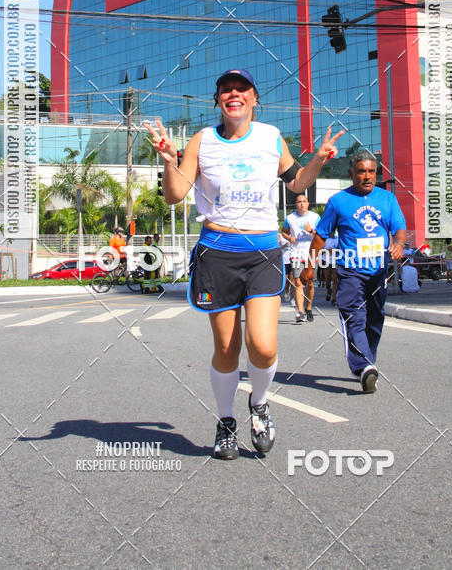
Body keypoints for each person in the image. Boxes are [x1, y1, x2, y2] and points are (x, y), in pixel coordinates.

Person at [144, 69, 343, 460]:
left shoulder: (270, 137)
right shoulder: (202, 140)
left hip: (263, 252)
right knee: (226, 347)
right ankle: (225, 422)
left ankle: (260, 403)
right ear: (218, 100)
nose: (233, 94)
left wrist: (318, 160)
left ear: (253, 98)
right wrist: (170, 159)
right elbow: (175, 194)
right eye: (225, 90)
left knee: (264, 347)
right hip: (217, 252)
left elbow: (297, 183)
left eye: (241, 89)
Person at [308, 149, 406, 394]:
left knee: (375, 319)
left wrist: (399, 244)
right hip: (350, 270)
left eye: (371, 171)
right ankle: (364, 365)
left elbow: (400, 228)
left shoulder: (387, 199)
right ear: (351, 173)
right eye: (361, 171)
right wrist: (309, 265)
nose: (367, 176)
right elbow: (321, 236)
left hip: (378, 271)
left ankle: (365, 362)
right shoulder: (338, 201)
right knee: (354, 316)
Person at [281, 194, 320, 323]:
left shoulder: (315, 217)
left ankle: (308, 308)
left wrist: (311, 231)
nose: (302, 204)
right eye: (299, 202)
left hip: (311, 253)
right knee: (298, 282)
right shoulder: (290, 218)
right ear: (296, 204)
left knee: (309, 282)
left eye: (304, 201)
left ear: (308, 204)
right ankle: (300, 312)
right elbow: (284, 232)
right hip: (296, 253)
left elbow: (321, 235)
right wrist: (289, 238)